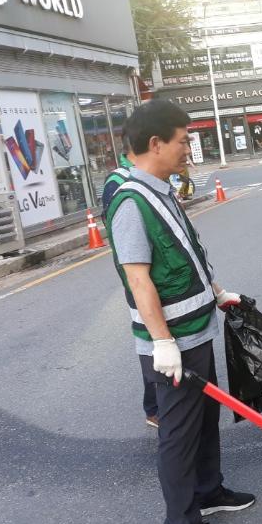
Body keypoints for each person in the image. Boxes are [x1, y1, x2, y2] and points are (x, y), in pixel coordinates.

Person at [105, 100, 254, 524]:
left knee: (204, 420)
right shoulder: (131, 201)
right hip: (174, 342)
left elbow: (185, 252)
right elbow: (138, 277)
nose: (189, 147)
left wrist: (217, 291)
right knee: (179, 431)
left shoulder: (159, 190)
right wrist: (162, 342)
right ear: (156, 144)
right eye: (183, 139)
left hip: (196, 328)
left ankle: (208, 492)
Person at [102, 148, 161, 429]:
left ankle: (161, 401)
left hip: (156, 272)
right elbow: (122, 234)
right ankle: (154, 408)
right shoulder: (118, 183)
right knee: (150, 337)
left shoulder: (146, 175)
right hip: (139, 273)